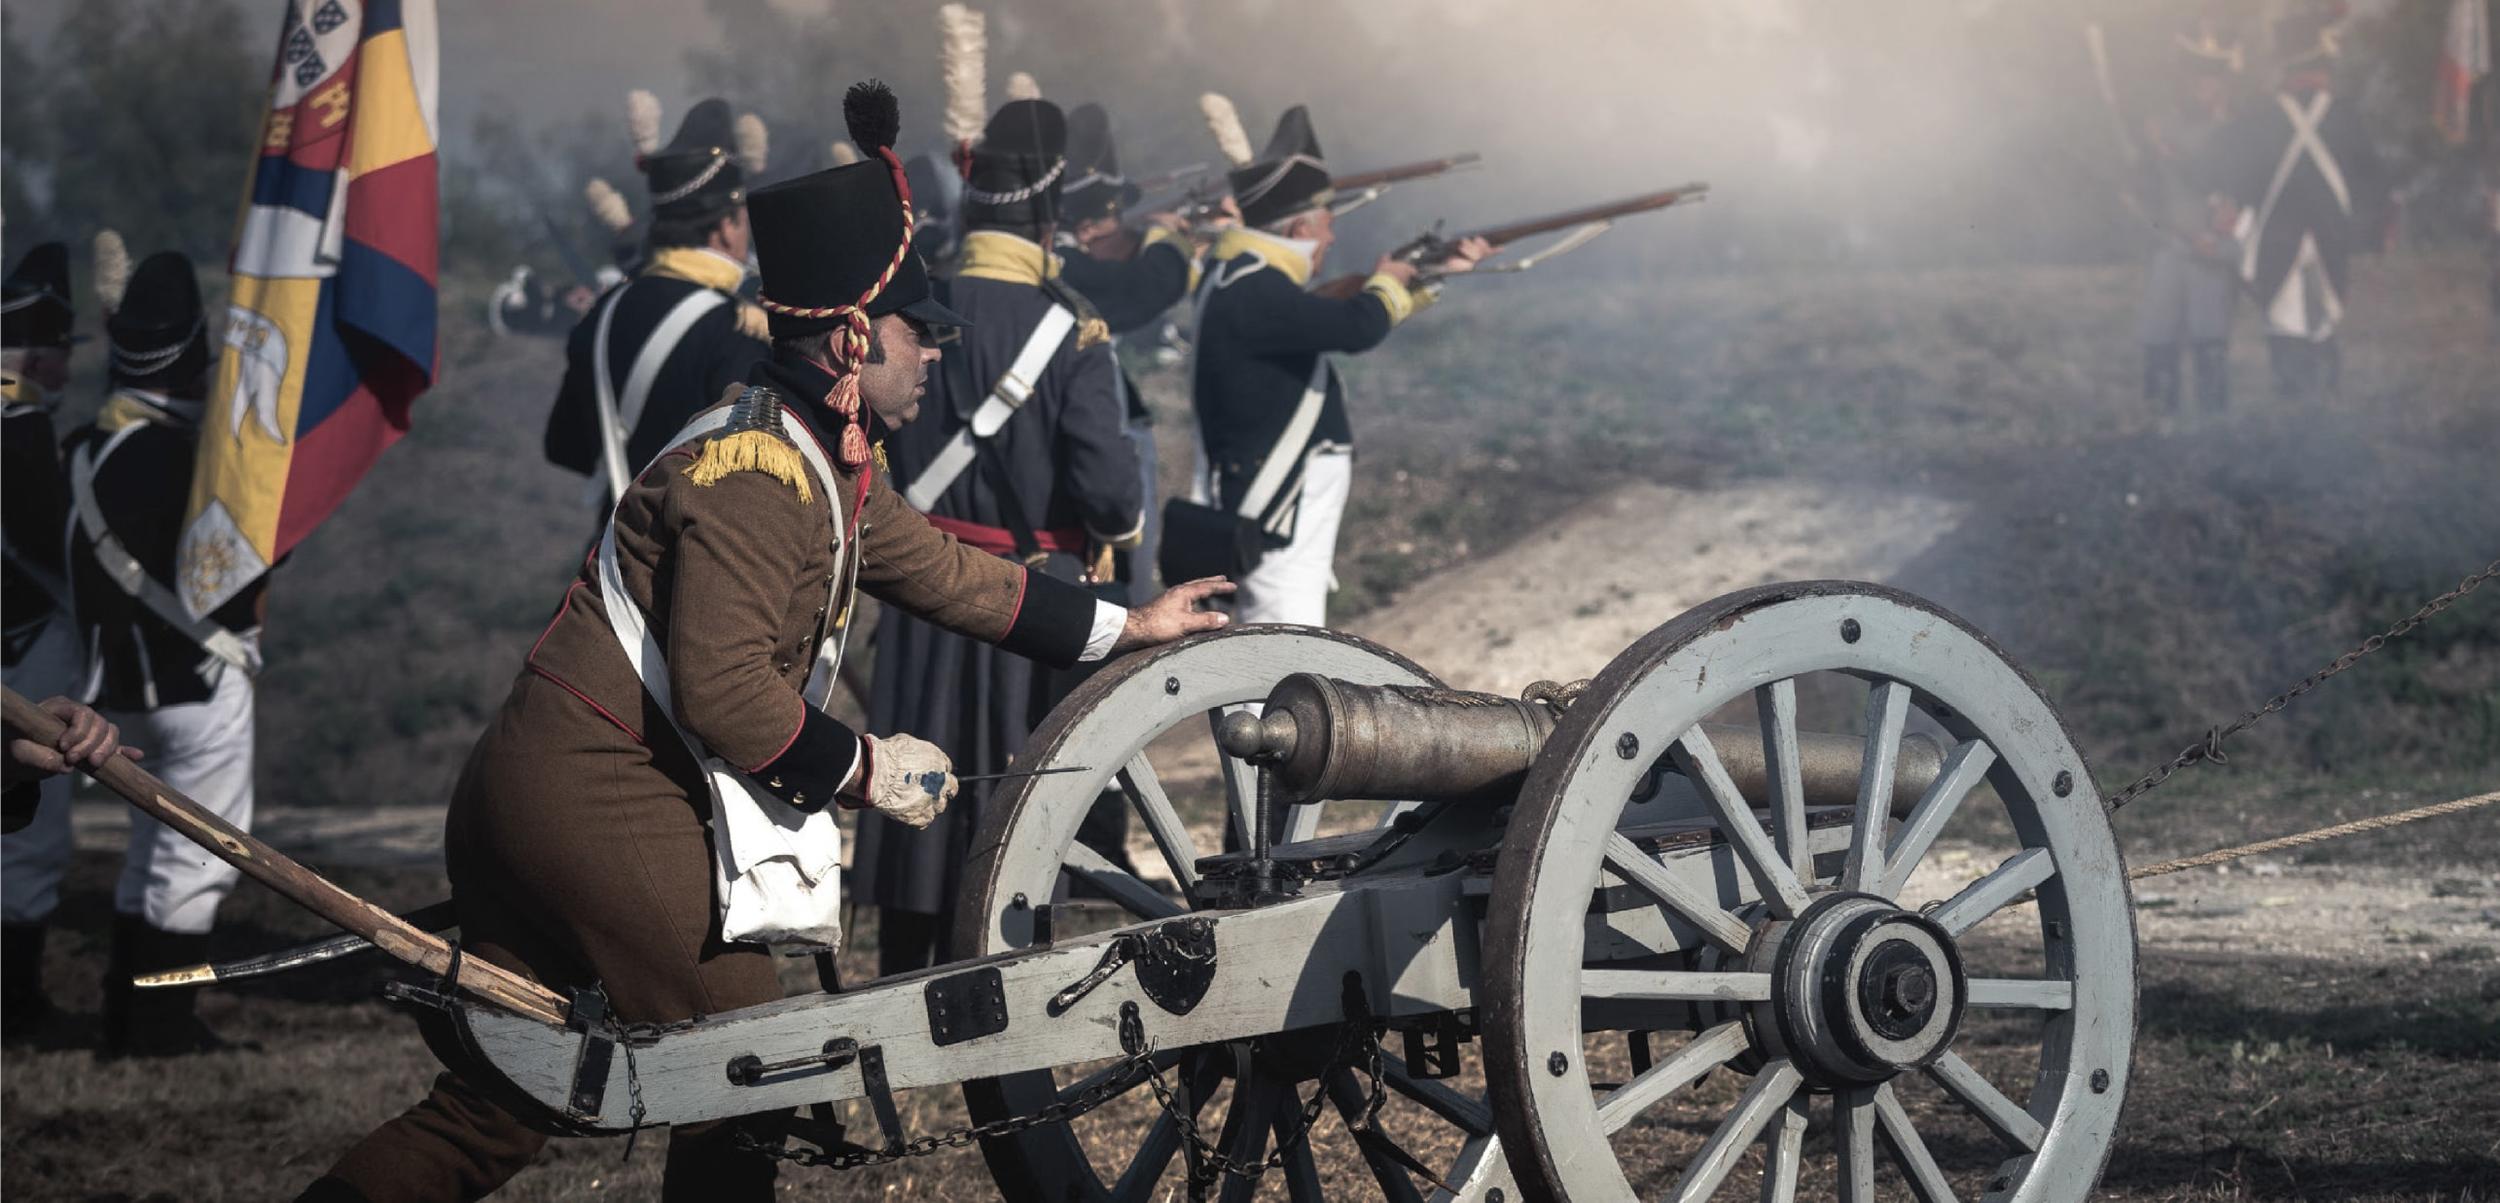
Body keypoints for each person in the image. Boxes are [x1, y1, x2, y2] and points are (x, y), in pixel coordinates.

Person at [294, 82, 1231, 1203]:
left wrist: (1127, 624)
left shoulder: (819, 456)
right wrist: (870, 770)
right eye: (915, 333)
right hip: (590, 796)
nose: (935, 352)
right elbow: (727, 692)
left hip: (561, 792)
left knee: (498, 1111)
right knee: (751, 1055)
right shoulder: (751, 472)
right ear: (848, 336)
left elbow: (944, 575)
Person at [857, 95, 1146, 975]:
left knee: (916, 793)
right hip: (1031, 593)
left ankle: (900, 978)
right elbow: (1110, 494)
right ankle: (1014, 970)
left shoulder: (916, 307)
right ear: (1053, 215)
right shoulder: (1074, 329)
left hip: (917, 577)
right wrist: (1117, 530)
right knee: (1023, 801)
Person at [55, 247, 264, 1057]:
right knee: (198, 857)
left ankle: (123, 1011)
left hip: (117, 686)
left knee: (150, 852)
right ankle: (160, 1026)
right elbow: (235, 574)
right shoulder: (194, 461)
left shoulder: (82, 447)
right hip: (194, 681)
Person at [1189, 102, 1488, 626]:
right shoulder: (1255, 288)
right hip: (1279, 494)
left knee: (1279, 629)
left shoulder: (1238, 275)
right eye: (1325, 226)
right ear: (1301, 225)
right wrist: (1391, 278)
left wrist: (1423, 274)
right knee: (1282, 634)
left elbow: (1328, 316)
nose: (1330, 238)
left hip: (1272, 487)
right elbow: (1355, 326)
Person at [545, 95, 771, 512]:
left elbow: (566, 448)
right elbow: (756, 478)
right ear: (725, 226)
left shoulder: (604, 311)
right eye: (742, 222)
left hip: (613, 560)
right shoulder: (736, 325)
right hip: (706, 563)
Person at [1054, 101, 1237, 607]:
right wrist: (1168, 237)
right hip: (1084, 485)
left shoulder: (1063, 262)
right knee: (1122, 599)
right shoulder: (1063, 265)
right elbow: (1142, 288)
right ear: (1089, 226)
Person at [2212, 2, 2386, 403]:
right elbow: (2370, 179)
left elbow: (2236, 176)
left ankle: (2296, 407)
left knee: (2284, 325)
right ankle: (2325, 403)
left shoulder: (2259, 116)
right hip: (2329, 239)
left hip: (2278, 238)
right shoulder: (2344, 115)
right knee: (2322, 324)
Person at [0, 241, 85, 1042]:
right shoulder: (21, 432)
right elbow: (60, 550)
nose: (64, 367)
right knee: (33, 831)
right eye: (57, 350)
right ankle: (15, 1003)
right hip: (26, 646)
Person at [2134, 19, 2244, 413]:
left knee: (2210, 340)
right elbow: (2143, 195)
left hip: (2212, 251)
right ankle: (2159, 426)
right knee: (2159, 338)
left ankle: (2214, 430)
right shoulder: (2157, 127)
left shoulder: (2236, 130)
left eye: (2213, 78)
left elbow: (2243, 191)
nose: (2205, 87)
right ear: (2183, 80)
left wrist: (2227, 227)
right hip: (2168, 248)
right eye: (2197, 77)